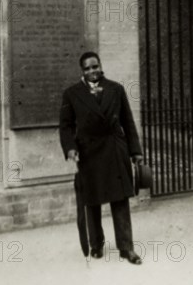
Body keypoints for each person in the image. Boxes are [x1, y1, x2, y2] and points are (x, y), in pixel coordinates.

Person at [59, 51, 144, 264]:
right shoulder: (71, 94)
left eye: (95, 66)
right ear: (82, 71)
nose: (92, 71)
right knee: (92, 201)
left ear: (100, 65)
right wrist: (70, 149)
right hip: (89, 152)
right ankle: (96, 245)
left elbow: (128, 121)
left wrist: (135, 151)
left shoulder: (116, 89)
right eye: (87, 68)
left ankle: (127, 248)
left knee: (120, 199)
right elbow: (66, 126)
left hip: (115, 149)